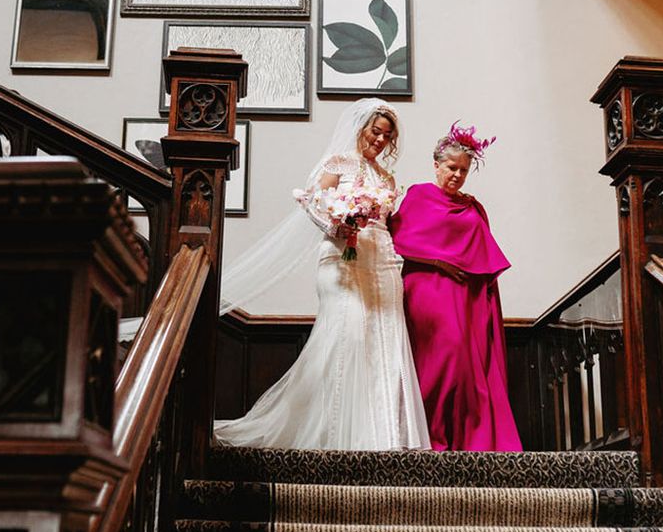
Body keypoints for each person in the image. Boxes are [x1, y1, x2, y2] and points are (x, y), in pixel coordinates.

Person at [215, 99, 430, 451]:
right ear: (361, 127)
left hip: (382, 264)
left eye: (386, 136)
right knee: (350, 336)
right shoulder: (338, 163)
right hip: (343, 261)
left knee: (384, 343)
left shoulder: (388, 178)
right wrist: (340, 224)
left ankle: (381, 437)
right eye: (375, 131)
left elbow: (388, 223)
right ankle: (338, 435)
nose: (379, 140)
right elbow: (313, 202)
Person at [388, 122, 522, 452]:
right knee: (439, 358)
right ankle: (428, 438)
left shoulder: (472, 206)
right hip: (427, 289)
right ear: (436, 165)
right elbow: (399, 242)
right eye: (451, 168)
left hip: (464, 296)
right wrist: (440, 263)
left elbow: (482, 255)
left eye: (463, 171)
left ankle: (463, 440)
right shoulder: (418, 195)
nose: (457, 175)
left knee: (465, 365)